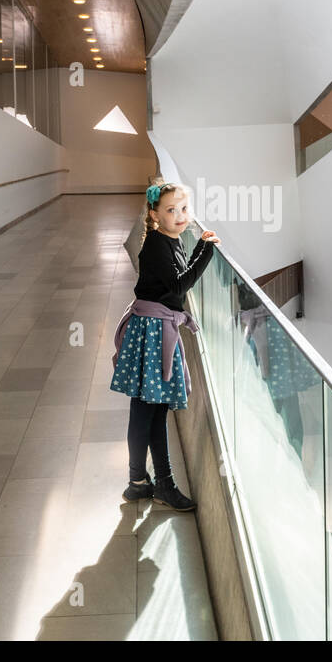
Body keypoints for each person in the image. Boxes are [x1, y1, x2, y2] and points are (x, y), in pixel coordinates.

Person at [110, 180, 219, 511]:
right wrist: (207, 251)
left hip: (156, 328)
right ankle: (141, 482)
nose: (180, 216)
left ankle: (155, 483)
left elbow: (178, 276)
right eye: (171, 210)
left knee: (154, 412)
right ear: (155, 215)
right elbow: (178, 286)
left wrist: (199, 245)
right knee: (145, 411)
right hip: (151, 332)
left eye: (184, 209)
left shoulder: (171, 240)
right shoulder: (158, 244)